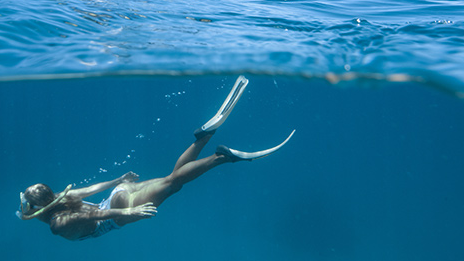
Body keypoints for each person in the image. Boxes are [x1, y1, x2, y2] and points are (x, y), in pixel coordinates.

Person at [17, 76, 296, 241]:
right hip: (117, 196)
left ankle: (221, 158)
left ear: (37, 210)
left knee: (173, 183)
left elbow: (98, 215)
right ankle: (203, 138)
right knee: (171, 180)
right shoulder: (63, 197)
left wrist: (127, 213)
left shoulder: (56, 224)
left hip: (116, 212)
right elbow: (91, 189)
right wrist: (118, 180)